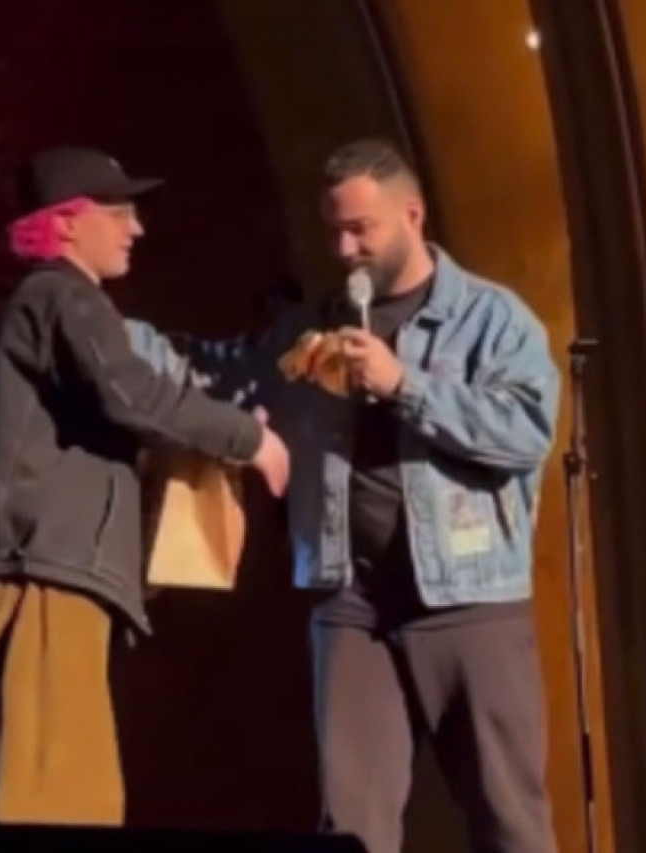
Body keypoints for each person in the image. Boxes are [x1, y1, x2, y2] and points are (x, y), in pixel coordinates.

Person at [127, 138, 561, 853]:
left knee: (509, 820)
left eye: (362, 229)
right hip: (351, 604)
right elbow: (222, 371)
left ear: (412, 214)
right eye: (335, 231)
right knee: (351, 828)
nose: (346, 248)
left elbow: (526, 432)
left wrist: (405, 385)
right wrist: (103, 330)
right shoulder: (314, 325)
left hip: (470, 599)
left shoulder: (491, 319)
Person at [0, 145, 290, 827]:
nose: (136, 227)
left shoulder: (51, 304)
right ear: (68, 221)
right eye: (118, 211)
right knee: (54, 804)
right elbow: (130, 393)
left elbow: (121, 408)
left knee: (68, 796)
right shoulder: (63, 295)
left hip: (49, 572)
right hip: (42, 573)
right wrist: (252, 442)